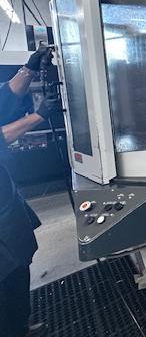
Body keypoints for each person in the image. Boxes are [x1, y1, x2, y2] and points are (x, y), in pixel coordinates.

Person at [0, 46, 63, 337]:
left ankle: (20, 327)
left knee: (19, 263)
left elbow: (3, 98)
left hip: (5, 201)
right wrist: (37, 117)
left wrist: (29, 68)